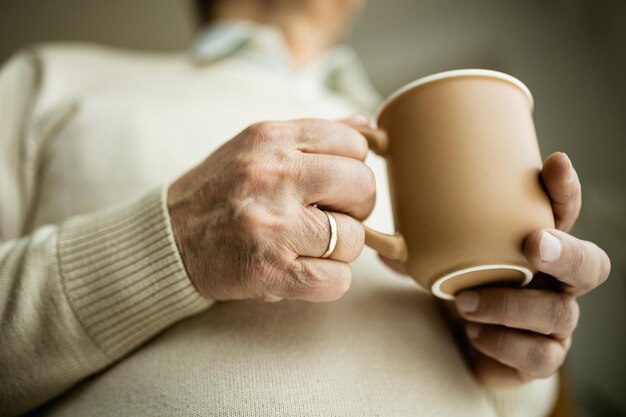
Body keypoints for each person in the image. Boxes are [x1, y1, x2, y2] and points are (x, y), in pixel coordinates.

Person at [0, 0, 610, 415]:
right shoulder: (51, 78)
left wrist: (513, 363)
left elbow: (518, 402)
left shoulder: (430, 134)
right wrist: (172, 244)